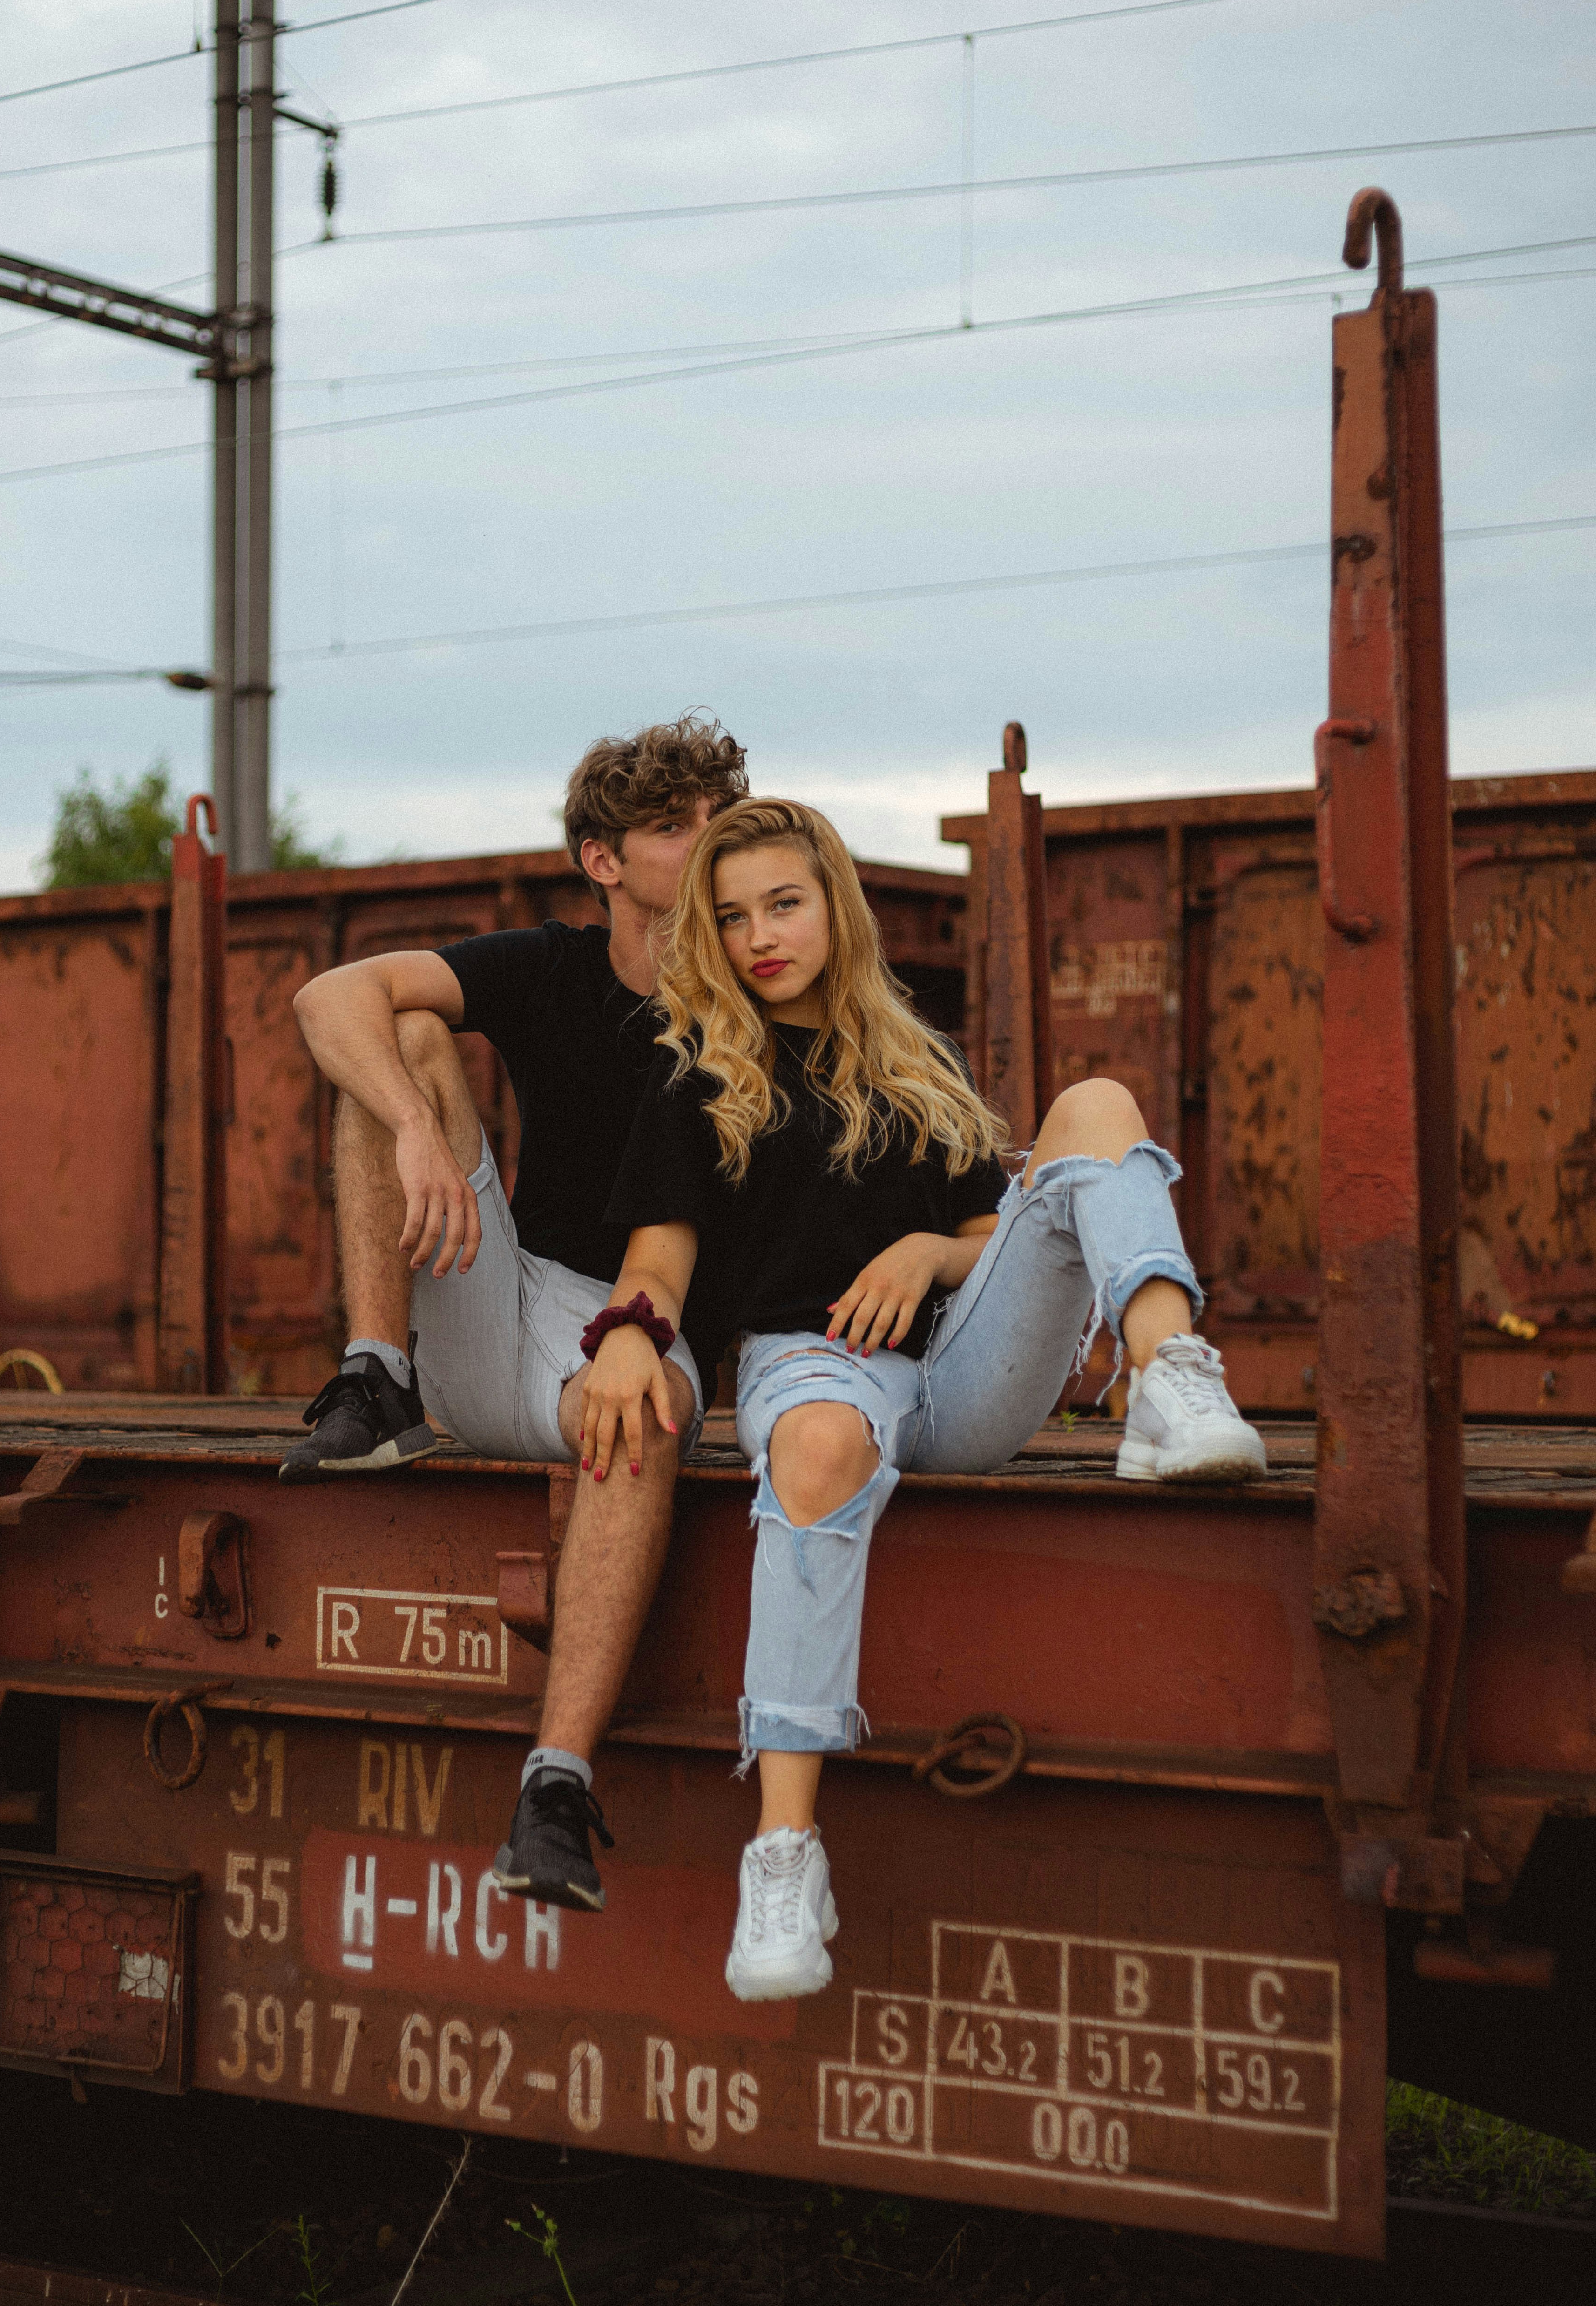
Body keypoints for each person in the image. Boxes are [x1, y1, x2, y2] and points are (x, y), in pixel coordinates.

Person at [582, 797, 1267, 2002]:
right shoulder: (690, 1078)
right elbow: (660, 1259)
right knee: (817, 1444)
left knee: (1097, 1107)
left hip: (961, 1377)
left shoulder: (915, 1060)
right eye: (732, 915)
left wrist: (924, 1253)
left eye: (784, 903)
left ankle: (1169, 1377)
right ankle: (785, 1858)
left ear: (833, 907)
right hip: (814, 1365)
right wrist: (634, 1336)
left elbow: (987, 1234)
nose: (760, 936)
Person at [286, 715, 751, 1913]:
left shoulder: (763, 988)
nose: (706, 842)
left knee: (638, 1414)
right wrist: (408, 1123)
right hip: (514, 1304)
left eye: (718, 816)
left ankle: (553, 1790)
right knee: (400, 1033)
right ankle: (377, 1373)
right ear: (602, 860)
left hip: (654, 1326)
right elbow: (330, 994)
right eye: (670, 824)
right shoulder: (555, 965)